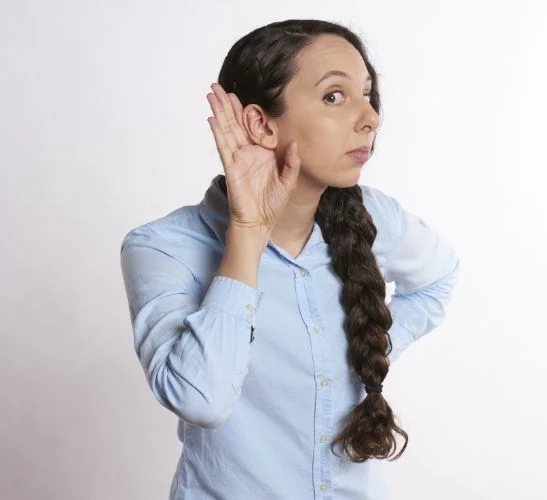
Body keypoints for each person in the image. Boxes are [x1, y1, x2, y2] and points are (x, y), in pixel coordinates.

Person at [120, 18, 461, 500]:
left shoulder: (375, 217)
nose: (370, 118)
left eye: (367, 94)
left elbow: (438, 278)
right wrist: (248, 232)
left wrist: (363, 348)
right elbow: (202, 400)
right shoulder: (163, 247)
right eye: (334, 96)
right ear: (260, 123)